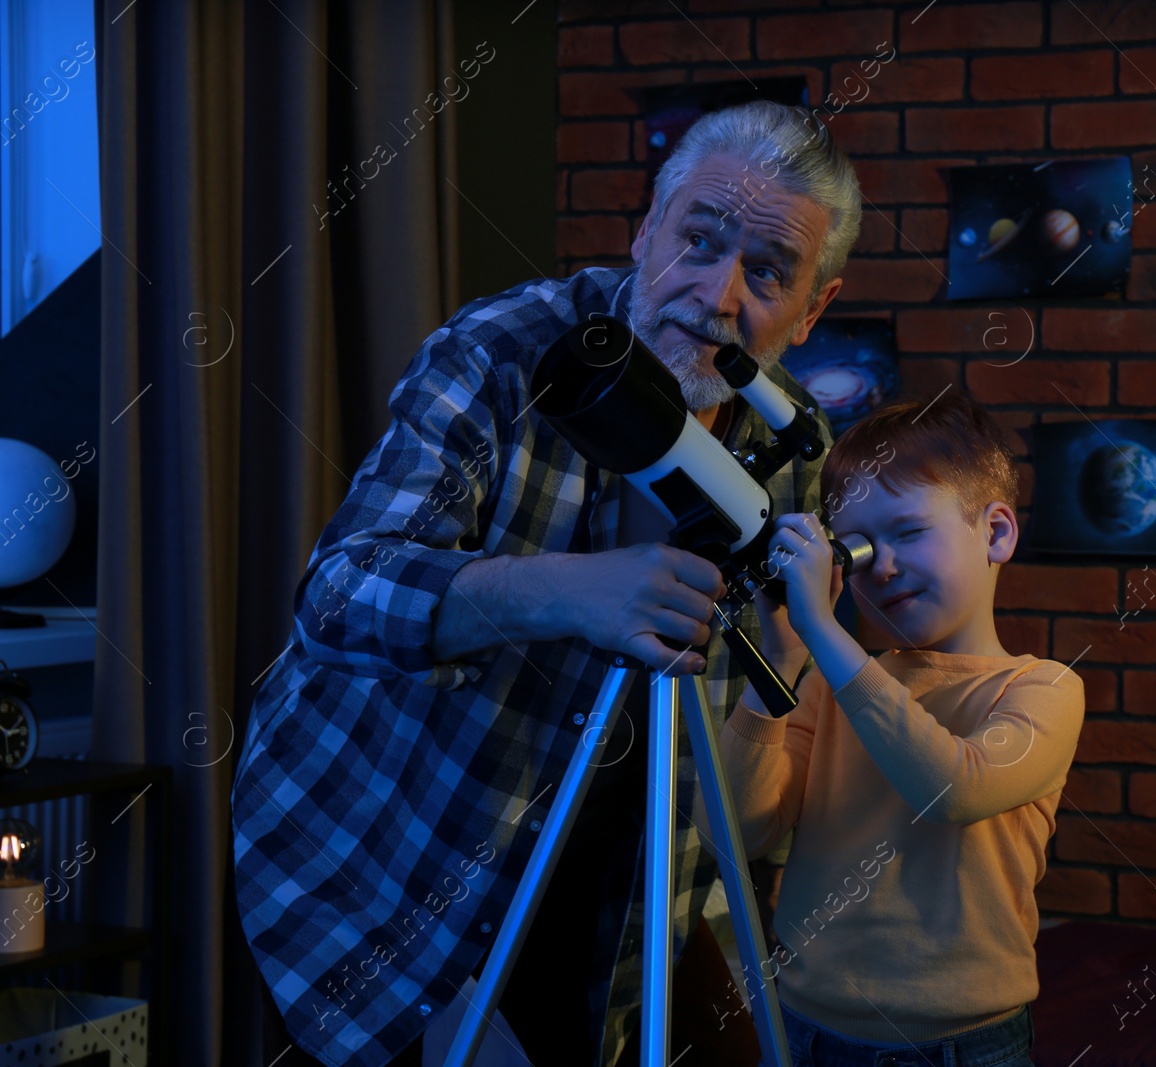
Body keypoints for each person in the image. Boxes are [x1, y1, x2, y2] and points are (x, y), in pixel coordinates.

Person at [231, 99, 861, 1067]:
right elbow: (339, 592)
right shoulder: (504, 353)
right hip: (388, 854)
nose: (717, 294)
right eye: (698, 238)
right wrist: (571, 590)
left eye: (768, 273)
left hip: (617, 865)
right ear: (647, 228)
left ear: (813, 308)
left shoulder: (788, 446)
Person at [717, 391, 1086, 1067]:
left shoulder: (1044, 688)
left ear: (996, 533)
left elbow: (951, 787)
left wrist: (824, 631)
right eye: (857, 549)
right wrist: (781, 663)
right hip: (803, 1021)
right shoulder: (829, 680)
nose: (881, 567)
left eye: (909, 532)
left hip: (959, 1041)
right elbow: (739, 829)